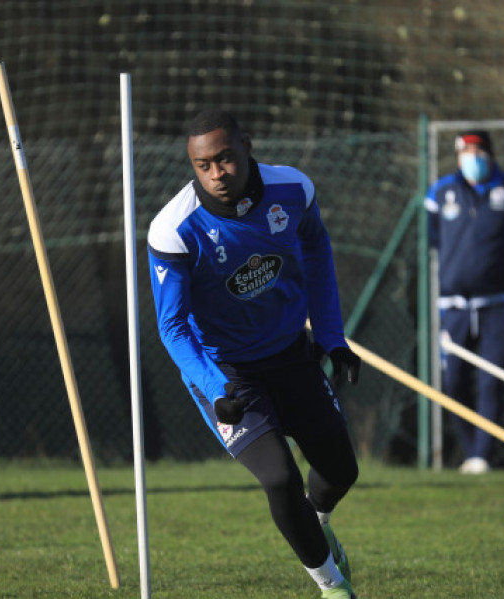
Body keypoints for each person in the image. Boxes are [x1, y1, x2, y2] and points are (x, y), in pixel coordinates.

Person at [147, 110, 361, 598]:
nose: (217, 173)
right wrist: (215, 388)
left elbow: (319, 253)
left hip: (291, 355)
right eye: (204, 165)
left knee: (340, 471)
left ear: (247, 146)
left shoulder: (294, 190)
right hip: (228, 372)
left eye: (225, 158)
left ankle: (316, 527)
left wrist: (332, 338)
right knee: (279, 478)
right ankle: (332, 587)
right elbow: (173, 327)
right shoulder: (174, 230)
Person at [425, 130, 504, 474]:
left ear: (489, 153)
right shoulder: (441, 191)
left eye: (476, 150)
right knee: (454, 380)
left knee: (492, 378)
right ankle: (471, 448)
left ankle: (481, 456)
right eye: (464, 151)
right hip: (453, 305)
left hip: (499, 303)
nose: (470, 157)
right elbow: (433, 237)